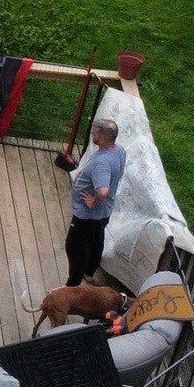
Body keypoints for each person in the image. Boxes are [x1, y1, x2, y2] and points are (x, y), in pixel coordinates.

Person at [64, 117, 125, 286]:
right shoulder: (119, 150)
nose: (92, 134)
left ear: (103, 138)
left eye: (94, 132)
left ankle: (72, 285)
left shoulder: (101, 163)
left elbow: (103, 191)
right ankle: (89, 272)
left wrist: (94, 202)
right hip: (104, 213)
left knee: (75, 247)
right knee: (96, 239)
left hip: (88, 215)